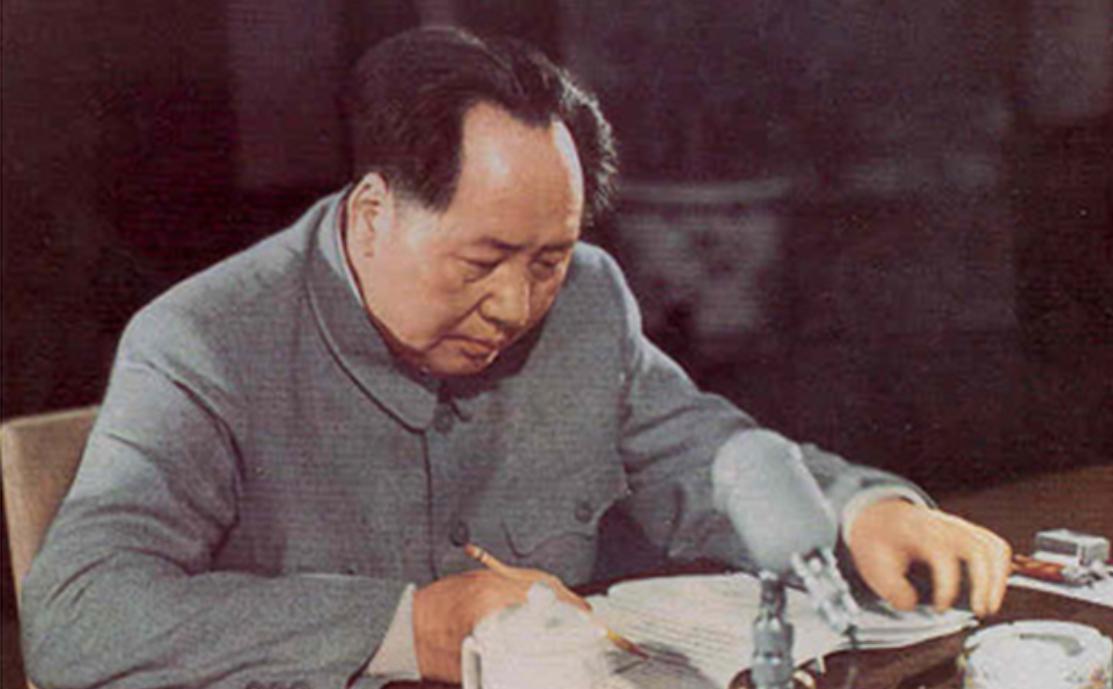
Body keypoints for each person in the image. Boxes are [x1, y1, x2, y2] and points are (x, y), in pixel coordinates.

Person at [21, 27, 1011, 689]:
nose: (515, 305)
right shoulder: (203, 342)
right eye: (481, 260)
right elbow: (76, 617)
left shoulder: (585, 300)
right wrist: (410, 625)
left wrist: (858, 512)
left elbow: (704, 453)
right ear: (373, 212)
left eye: (546, 259)